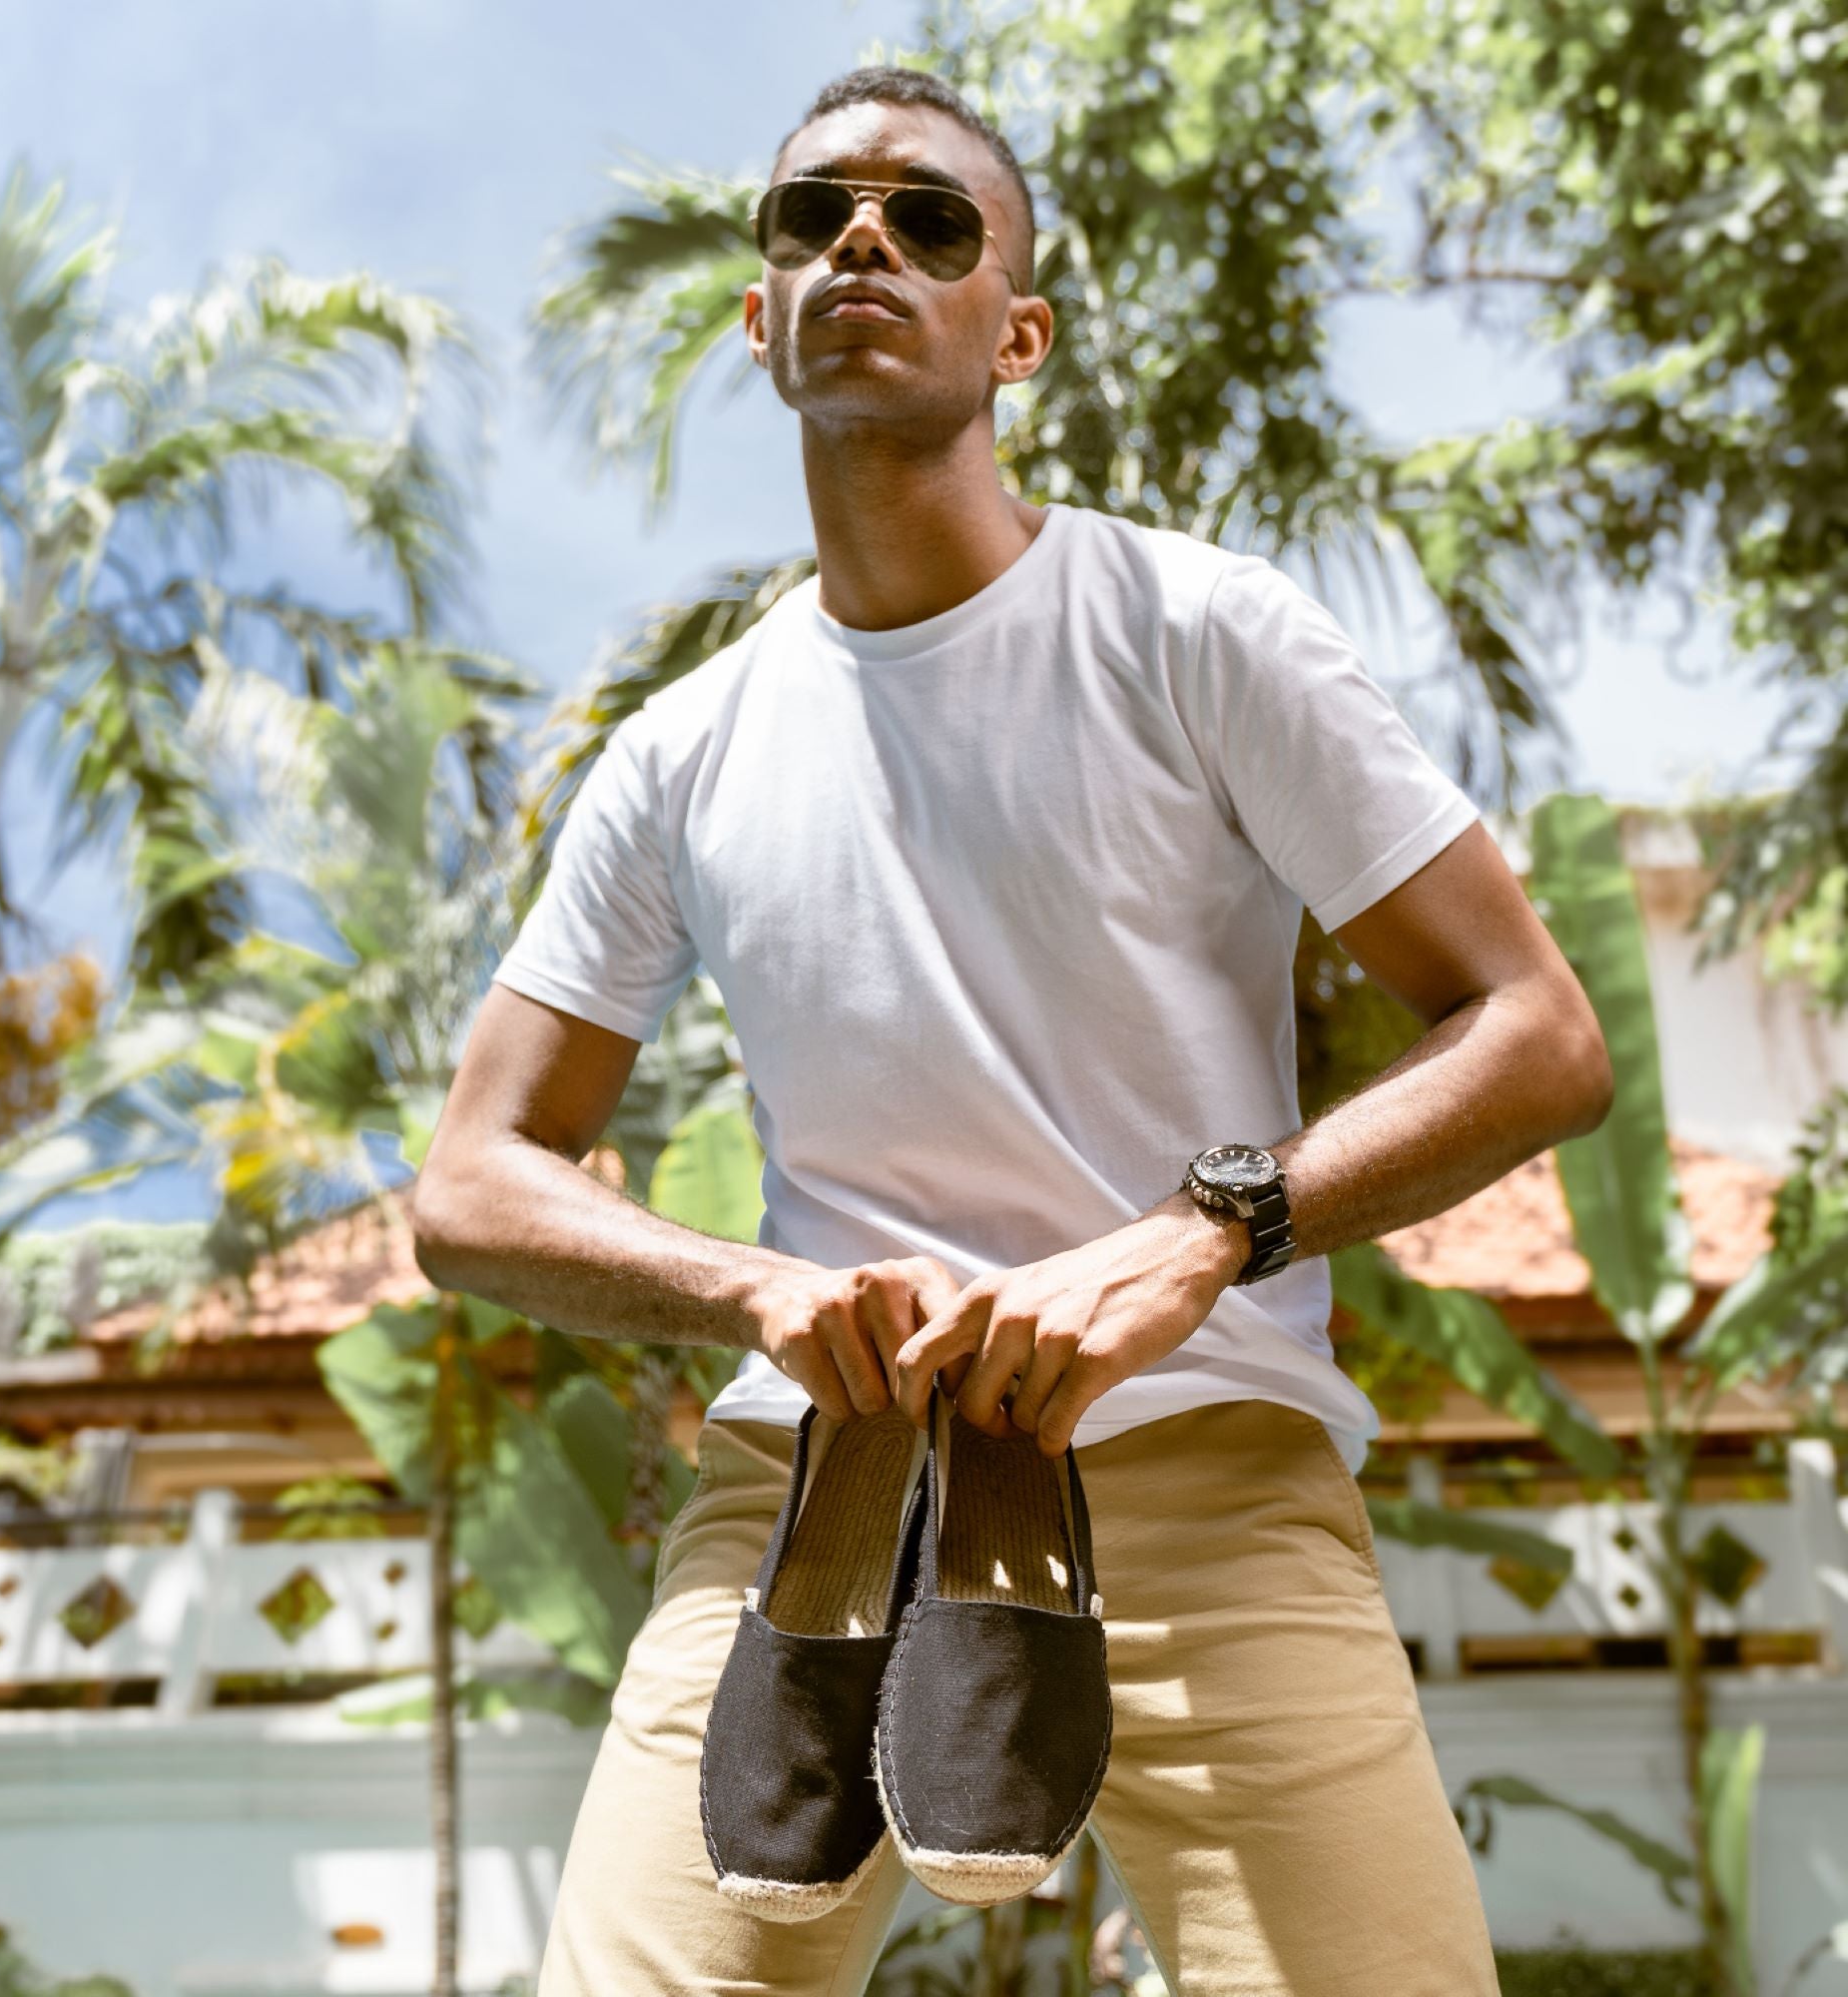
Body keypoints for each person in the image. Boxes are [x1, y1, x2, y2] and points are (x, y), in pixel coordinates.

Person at [412, 62, 1611, 1997]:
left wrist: (1198, 1233)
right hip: (801, 1501)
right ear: (760, 312)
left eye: (929, 218)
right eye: (812, 218)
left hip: (1203, 1468)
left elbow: (1537, 1030)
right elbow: (468, 1184)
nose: (862, 241)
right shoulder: (679, 750)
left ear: (1015, 329)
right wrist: (747, 1293)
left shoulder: (1195, 629)